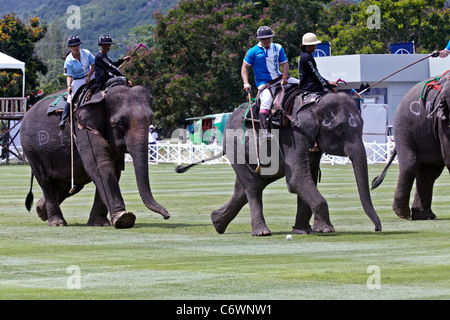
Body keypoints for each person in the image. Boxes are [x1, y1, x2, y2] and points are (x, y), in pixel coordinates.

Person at [241, 26, 299, 138]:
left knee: (301, 83)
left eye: (269, 38)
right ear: (259, 39)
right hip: (264, 83)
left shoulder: (278, 47)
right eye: (264, 39)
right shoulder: (252, 52)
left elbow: (284, 64)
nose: (267, 41)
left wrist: (285, 77)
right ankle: (265, 132)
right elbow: (244, 67)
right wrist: (246, 82)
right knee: (266, 101)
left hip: (279, 78)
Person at [298, 33, 337, 152]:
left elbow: (315, 75)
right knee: (317, 113)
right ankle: (316, 142)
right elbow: (316, 75)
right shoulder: (306, 57)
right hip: (310, 90)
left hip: (314, 87)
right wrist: (329, 86)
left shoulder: (306, 56)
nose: (314, 47)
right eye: (312, 45)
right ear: (306, 46)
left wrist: (327, 83)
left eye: (314, 45)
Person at [59, 36, 95, 129]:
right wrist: (69, 85)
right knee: (70, 98)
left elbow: (94, 65)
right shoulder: (68, 60)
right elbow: (69, 76)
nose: (76, 47)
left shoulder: (86, 53)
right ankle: (63, 118)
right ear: (70, 47)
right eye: (74, 46)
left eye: (77, 45)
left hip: (90, 74)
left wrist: (89, 76)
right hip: (78, 80)